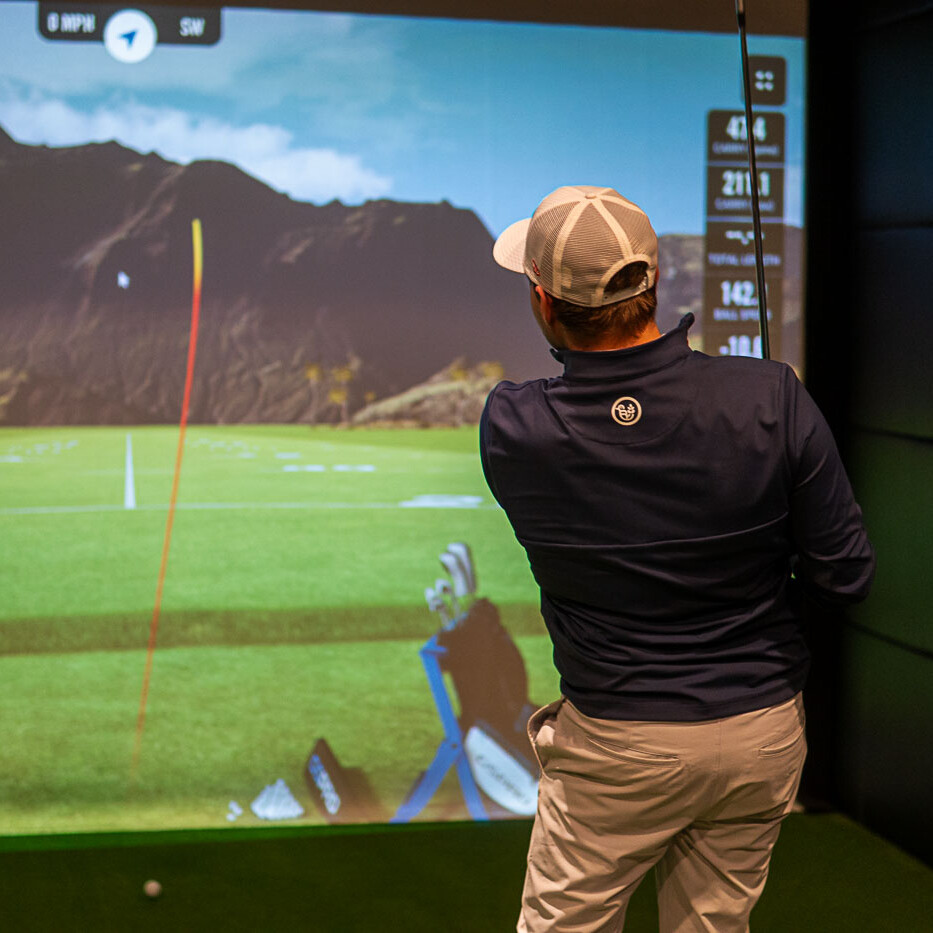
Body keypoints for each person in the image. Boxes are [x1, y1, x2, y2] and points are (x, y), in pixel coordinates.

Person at [479, 185, 875, 932]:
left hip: (616, 743)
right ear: (651, 281)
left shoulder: (513, 424)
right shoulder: (771, 397)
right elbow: (843, 575)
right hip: (758, 730)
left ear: (543, 301)